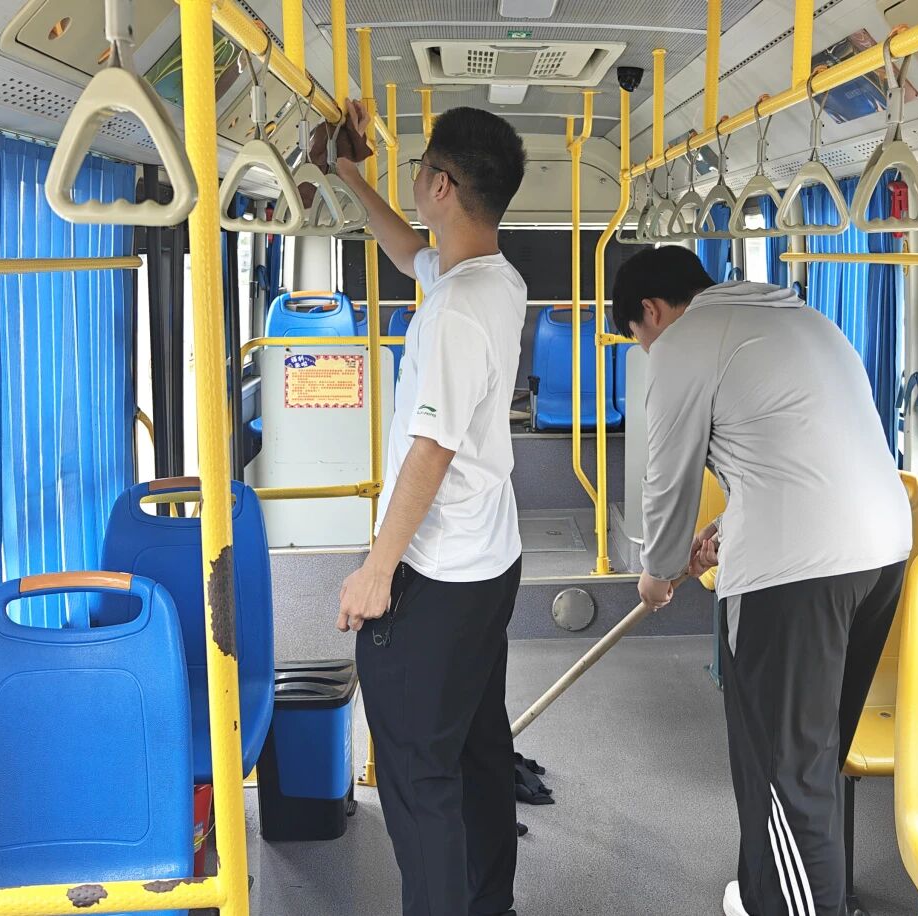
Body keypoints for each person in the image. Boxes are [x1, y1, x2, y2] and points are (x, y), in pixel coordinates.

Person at [611, 246, 912, 916]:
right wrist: (726, 530)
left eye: (638, 336)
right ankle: (766, 893)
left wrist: (657, 573)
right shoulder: (803, 319)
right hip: (883, 551)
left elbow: (667, 479)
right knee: (810, 755)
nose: (646, 348)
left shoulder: (684, 341)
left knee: (786, 770)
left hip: (796, 574)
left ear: (652, 311)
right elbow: (800, 454)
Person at [331, 101, 528, 916]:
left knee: (419, 780)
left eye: (418, 171)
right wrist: (350, 177)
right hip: (491, 562)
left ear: (440, 185)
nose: (414, 183)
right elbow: (408, 249)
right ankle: (489, 902)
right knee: (477, 749)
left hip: (438, 576)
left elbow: (431, 450)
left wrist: (377, 570)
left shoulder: (453, 311)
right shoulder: (492, 278)